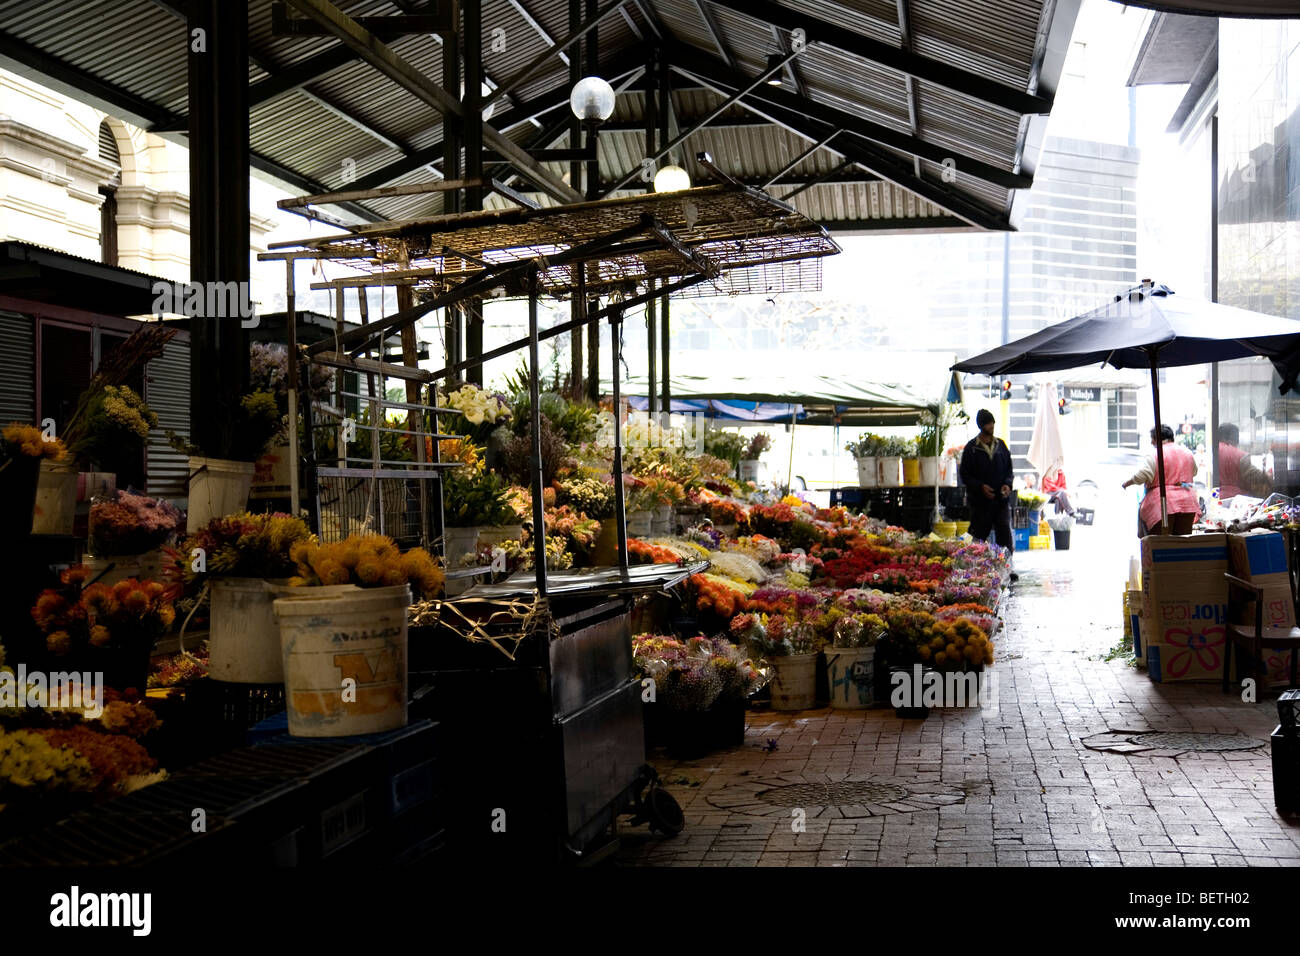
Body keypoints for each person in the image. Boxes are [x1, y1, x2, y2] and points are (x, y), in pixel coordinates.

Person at [960, 408, 1018, 581]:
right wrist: (980, 487)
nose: (991, 426)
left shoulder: (1001, 446)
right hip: (980, 503)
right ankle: (972, 570)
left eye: (992, 422)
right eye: (987, 423)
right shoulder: (971, 448)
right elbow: (965, 475)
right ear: (981, 425)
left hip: (1000, 501)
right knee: (978, 536)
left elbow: (1009, 470)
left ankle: (1006, 568)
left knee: (1004, 534)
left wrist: (1007, 485)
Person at [1122, 425, 1200, 536]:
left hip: (1162, 503)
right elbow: (1194, 471)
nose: (1151, 443)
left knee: (1161, 544)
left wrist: (1127, 483)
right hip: (1187, 502)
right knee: (1183, 544)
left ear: (1156, 439)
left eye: (1152, 439)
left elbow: (1143, 475)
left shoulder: (1155, 454)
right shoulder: (1187, 453)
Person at [1217, 423, 1270, 501]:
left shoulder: (1213, 451)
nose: (1237, 441)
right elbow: (1253, 476)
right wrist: (1267, 476)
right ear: (1232, 437)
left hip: (1217, 497)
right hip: (1237, 500)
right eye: (1237, 437)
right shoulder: (1239, 455)